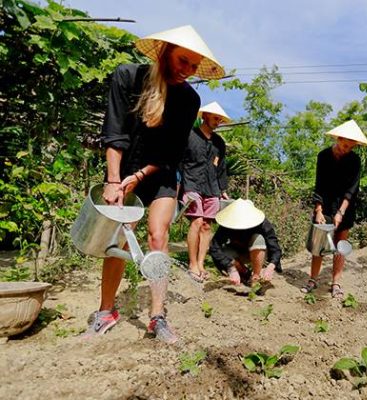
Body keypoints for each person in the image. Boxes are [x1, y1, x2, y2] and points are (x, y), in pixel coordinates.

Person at [81, 25, 225, 344]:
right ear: (164, 52)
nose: (187, 71)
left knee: (157, 236)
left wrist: (140, 176)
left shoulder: (189, 99)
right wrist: (114, 180)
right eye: (182, 61)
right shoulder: (127, 77)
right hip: (123, 169)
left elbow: (172, 151)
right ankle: (107, 311)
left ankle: (158, 316)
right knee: (118, 237)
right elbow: (114, 132)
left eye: (193, 66)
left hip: (160, 172)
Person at [300, 120, 367, 298]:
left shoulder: (354, 160)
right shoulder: (323, 156)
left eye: (351, 147)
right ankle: (313, 279)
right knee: (319, 243)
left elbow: (352, 189)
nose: (346, 149)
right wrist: (318, 210)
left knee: (340, 245)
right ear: (338, 139)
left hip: (345, 206)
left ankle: (336, 283)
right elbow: (319, 184)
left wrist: (341, 212)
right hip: (325, 204)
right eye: (345, 145)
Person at [180, 102, 231, 283]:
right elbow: (180, 162)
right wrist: (179, 186)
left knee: (207, 226)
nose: (218, 121)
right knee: (197, 221)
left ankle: (201, 264)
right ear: (205, 116)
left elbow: (221, 168)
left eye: (220, 119)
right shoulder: (189, 135)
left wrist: (222, 189)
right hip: (191, 184)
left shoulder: (219, 143)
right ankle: (192, 264)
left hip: (212, 188)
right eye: (215, 118)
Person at [209, 199, 282, 285]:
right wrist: (231, 268)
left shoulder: (262, 223)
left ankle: (256, 276)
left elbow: (275, 247)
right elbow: (214, 247)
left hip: (258, 251)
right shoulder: (227, 225)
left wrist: (271, 266)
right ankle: (244, 272)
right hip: (238, 252)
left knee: (258, 238)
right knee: (223, 251)